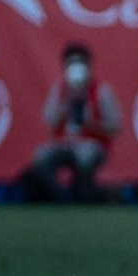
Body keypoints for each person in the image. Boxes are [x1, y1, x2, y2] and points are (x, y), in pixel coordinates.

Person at [25, 45, 120, 203]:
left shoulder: (102, 91)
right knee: (41, 156)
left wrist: (91, 124)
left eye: (80, 63)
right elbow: (50, 122)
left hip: (91, 145)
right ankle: (56, 196)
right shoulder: (58, 90)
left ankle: (85, 195)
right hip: (64, 143)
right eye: (71, 63)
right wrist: (65, 107)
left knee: (85, 156)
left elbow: (115, 127)